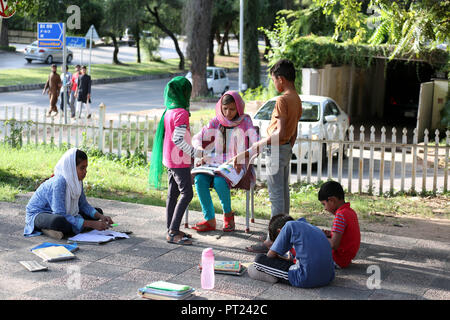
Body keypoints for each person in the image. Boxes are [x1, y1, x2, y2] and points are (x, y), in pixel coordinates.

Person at [230, 59, 303, 253]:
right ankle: (283, 234)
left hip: (277, 149)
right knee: (283, 193)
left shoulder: (282, 100)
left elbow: (277, 133)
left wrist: (257, 145)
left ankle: (274, 241)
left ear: (281, 79)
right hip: (286, 148)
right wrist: (286, 147)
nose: (274, 84)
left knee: (276, 196)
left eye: (274, 80)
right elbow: (293, 131)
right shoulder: (296, 98)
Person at [191, 91, 259, 232]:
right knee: (199, 179)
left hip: (238, 163)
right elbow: (196, 138)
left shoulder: (245, 121)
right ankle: (209, 219)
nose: (228, 113)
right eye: (225, 108)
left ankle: (228, 217)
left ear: (239, 108)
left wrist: (242, 156)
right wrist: (200, 151)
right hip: (214, 163)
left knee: (219, 181)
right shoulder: (216, 121)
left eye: (232, 109)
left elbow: (256, 144)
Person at [149, 76, 203, 245]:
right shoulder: (181, 113)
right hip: (179, 161)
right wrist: (195, 153)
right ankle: (173, 232)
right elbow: (178, 139)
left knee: (172, 195)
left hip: (169, 160)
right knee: (187, 194)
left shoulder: (169, 111)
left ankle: (171, 227)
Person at [24, 148, 114, 240]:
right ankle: (47, 228)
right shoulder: (59, 182)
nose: (85, 172)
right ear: (71, 168)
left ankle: (62, 229)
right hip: (39, 213)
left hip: (60, 213)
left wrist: (101, 217)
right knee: (59, 221)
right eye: (82, 168)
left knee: (98, 211)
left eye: (86, 168)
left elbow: (83, 205)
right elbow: (59, 213)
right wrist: (91, 224)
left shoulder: (77, 181)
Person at [247, 214, 335, 288]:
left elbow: (270, 255)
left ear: (280, 231)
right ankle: (274, 273)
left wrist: (275, 254)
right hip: (328, 277)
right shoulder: (310, 227)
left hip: (306, 277)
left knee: (259, 260)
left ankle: (273, 275)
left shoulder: (288, 226)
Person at [318, 180, 361, 269]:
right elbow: (346, 235)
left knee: (310, 242)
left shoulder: (340, 215)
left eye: (324, 204)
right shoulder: (350, 212)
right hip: (346, 259)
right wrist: (330, 234)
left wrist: (320, 237)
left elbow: (334, 245)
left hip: (337, 259)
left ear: (332, 200)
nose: (325, 208)